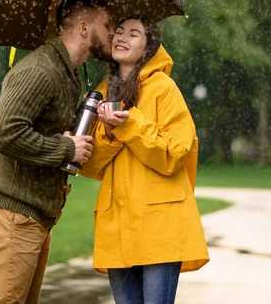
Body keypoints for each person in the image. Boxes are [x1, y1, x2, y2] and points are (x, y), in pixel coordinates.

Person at [0, 0, 115, 304]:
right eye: (106, 25)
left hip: (33, 216)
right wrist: (66, 148)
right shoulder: (42, 69)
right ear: (83, 27)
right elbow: (2, 133)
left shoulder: (68, 74)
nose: (112, 33)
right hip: (12, 214)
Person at [80, 17, 209, 304]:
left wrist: (129, 127)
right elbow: (88, 164)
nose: (122, 38)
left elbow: (174, 154)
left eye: (134, 34)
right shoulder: (102, 94)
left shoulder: (164, 88)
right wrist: (110, 134)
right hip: (117, 225)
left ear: (148, 47)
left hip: (160, 225)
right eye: (120, 32)